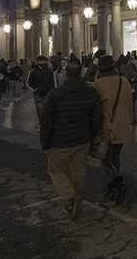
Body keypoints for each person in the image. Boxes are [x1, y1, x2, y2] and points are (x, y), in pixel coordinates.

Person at [39, 62, 103, 217]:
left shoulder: (55, 94)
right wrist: (90, 135)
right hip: (81, 139)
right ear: (81, 73)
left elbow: (46, 121)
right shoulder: (91, 93)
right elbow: (96, 119)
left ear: (65, 74)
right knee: (79, 170)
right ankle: (77, 197)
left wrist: (45, 143)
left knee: (56, 170)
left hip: (59, 140)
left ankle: (69, 197)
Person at [92, 54, 133, 202]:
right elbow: (130, 103)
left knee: (105, 160)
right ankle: (113, 187)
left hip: (107, 127)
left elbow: (96, 110)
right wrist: (132, 121)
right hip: (123, 124)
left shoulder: (97, 84)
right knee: (116, 156)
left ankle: (118, 183)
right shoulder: (124, 81)